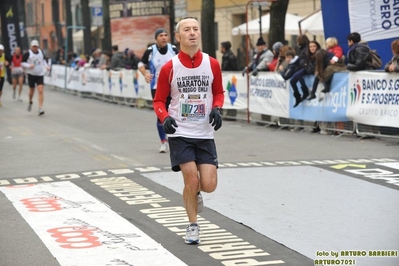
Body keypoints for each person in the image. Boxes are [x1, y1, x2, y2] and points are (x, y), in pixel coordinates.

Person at [153, 17, 224, 244]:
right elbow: (158, 101)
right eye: (187, 29)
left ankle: (195, 193)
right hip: (180, 132)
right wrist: (164, 119)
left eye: (195, 29)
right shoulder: (169, 67)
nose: (192, 33)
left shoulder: (212, 64)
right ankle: (193, 226)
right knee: (191, 180)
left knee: (209, 184)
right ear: (178, 36)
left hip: (204, 133)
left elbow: (219, 92)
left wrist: (217, 109)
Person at [138, 28, 179, 153]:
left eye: (166, 35)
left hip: (174, 87)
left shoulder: (173, 49)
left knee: (175, 113)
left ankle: (176, 140)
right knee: (161, 115)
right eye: (161, 35)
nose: (164, 37)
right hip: (157, 87)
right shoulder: (151, 51)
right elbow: (140, 63)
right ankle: (163, 142)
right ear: (156, 38)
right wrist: (145, 73)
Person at [22, 40, 50, 115]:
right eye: (34, 46)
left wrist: (46, 66)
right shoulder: (28, 53)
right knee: (32, 90)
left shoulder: (41, 52)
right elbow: (22, 62)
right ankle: (30, 101)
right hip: (31, 74)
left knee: (40, 90)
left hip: (40, 74)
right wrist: (29, 66)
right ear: (31, 46)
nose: (35, 48)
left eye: (36, 46)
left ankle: (40, 108)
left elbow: (43, 60)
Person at [289, 41, 321, 107]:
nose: (312, 48)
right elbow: (301, 61)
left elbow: (312, 68)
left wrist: (305, 65)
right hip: (307, 68)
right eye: (310, 47)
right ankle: (297, 96)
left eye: (314, 46)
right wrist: (305, 64)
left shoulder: (319, 54)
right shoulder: (307, 53)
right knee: (292, 80)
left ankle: (305, 91)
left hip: (311, 69)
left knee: (298, 75)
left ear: (317, 46)